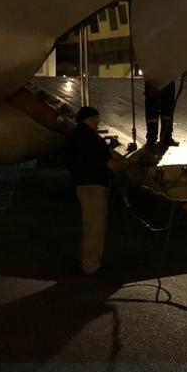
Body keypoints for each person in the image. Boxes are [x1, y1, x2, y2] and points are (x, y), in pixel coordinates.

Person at [66, 106, 123, 274]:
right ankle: (91, 265)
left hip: (81, 184)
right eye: (96, 119)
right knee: (95, 225)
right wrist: (125, 163)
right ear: (90, 119)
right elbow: (110, 165)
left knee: (89, 224)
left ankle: (88, 260)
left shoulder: (74, 135)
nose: (98, 123)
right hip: (94, 186)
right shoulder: (92, 138)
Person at [144, 81, 178, 147]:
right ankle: (155, 138)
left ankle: (159, 138)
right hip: (157, 82)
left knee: (164, 112)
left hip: (159, 82)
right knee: (154, 113)